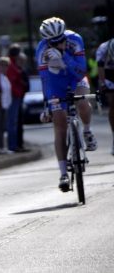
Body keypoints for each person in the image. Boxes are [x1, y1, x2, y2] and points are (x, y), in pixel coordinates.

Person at [36, 17, 95, 192]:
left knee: (82, 102)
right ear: (47, 41)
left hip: (75, 78)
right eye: (54, 42)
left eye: (61, 39)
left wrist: (64, 56)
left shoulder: (75, 39)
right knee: (59, 125)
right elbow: (45, 80)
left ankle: (87, 131)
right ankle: (63, 173)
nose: (59, 43)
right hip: (56, 83)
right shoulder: (42, 50)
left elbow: (80, 71)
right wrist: (47, 103)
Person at [95, 37, 114, 155]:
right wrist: (102, 84)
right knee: (113, 102)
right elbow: (100, 68)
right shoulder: (103, 48)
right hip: (109, 75)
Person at [0, 56, 13, 154]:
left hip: (5, 105)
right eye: (2, 65)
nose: (4, 68)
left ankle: (3, 146)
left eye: (6, 66)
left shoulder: (5, 77)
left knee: (3, 127)